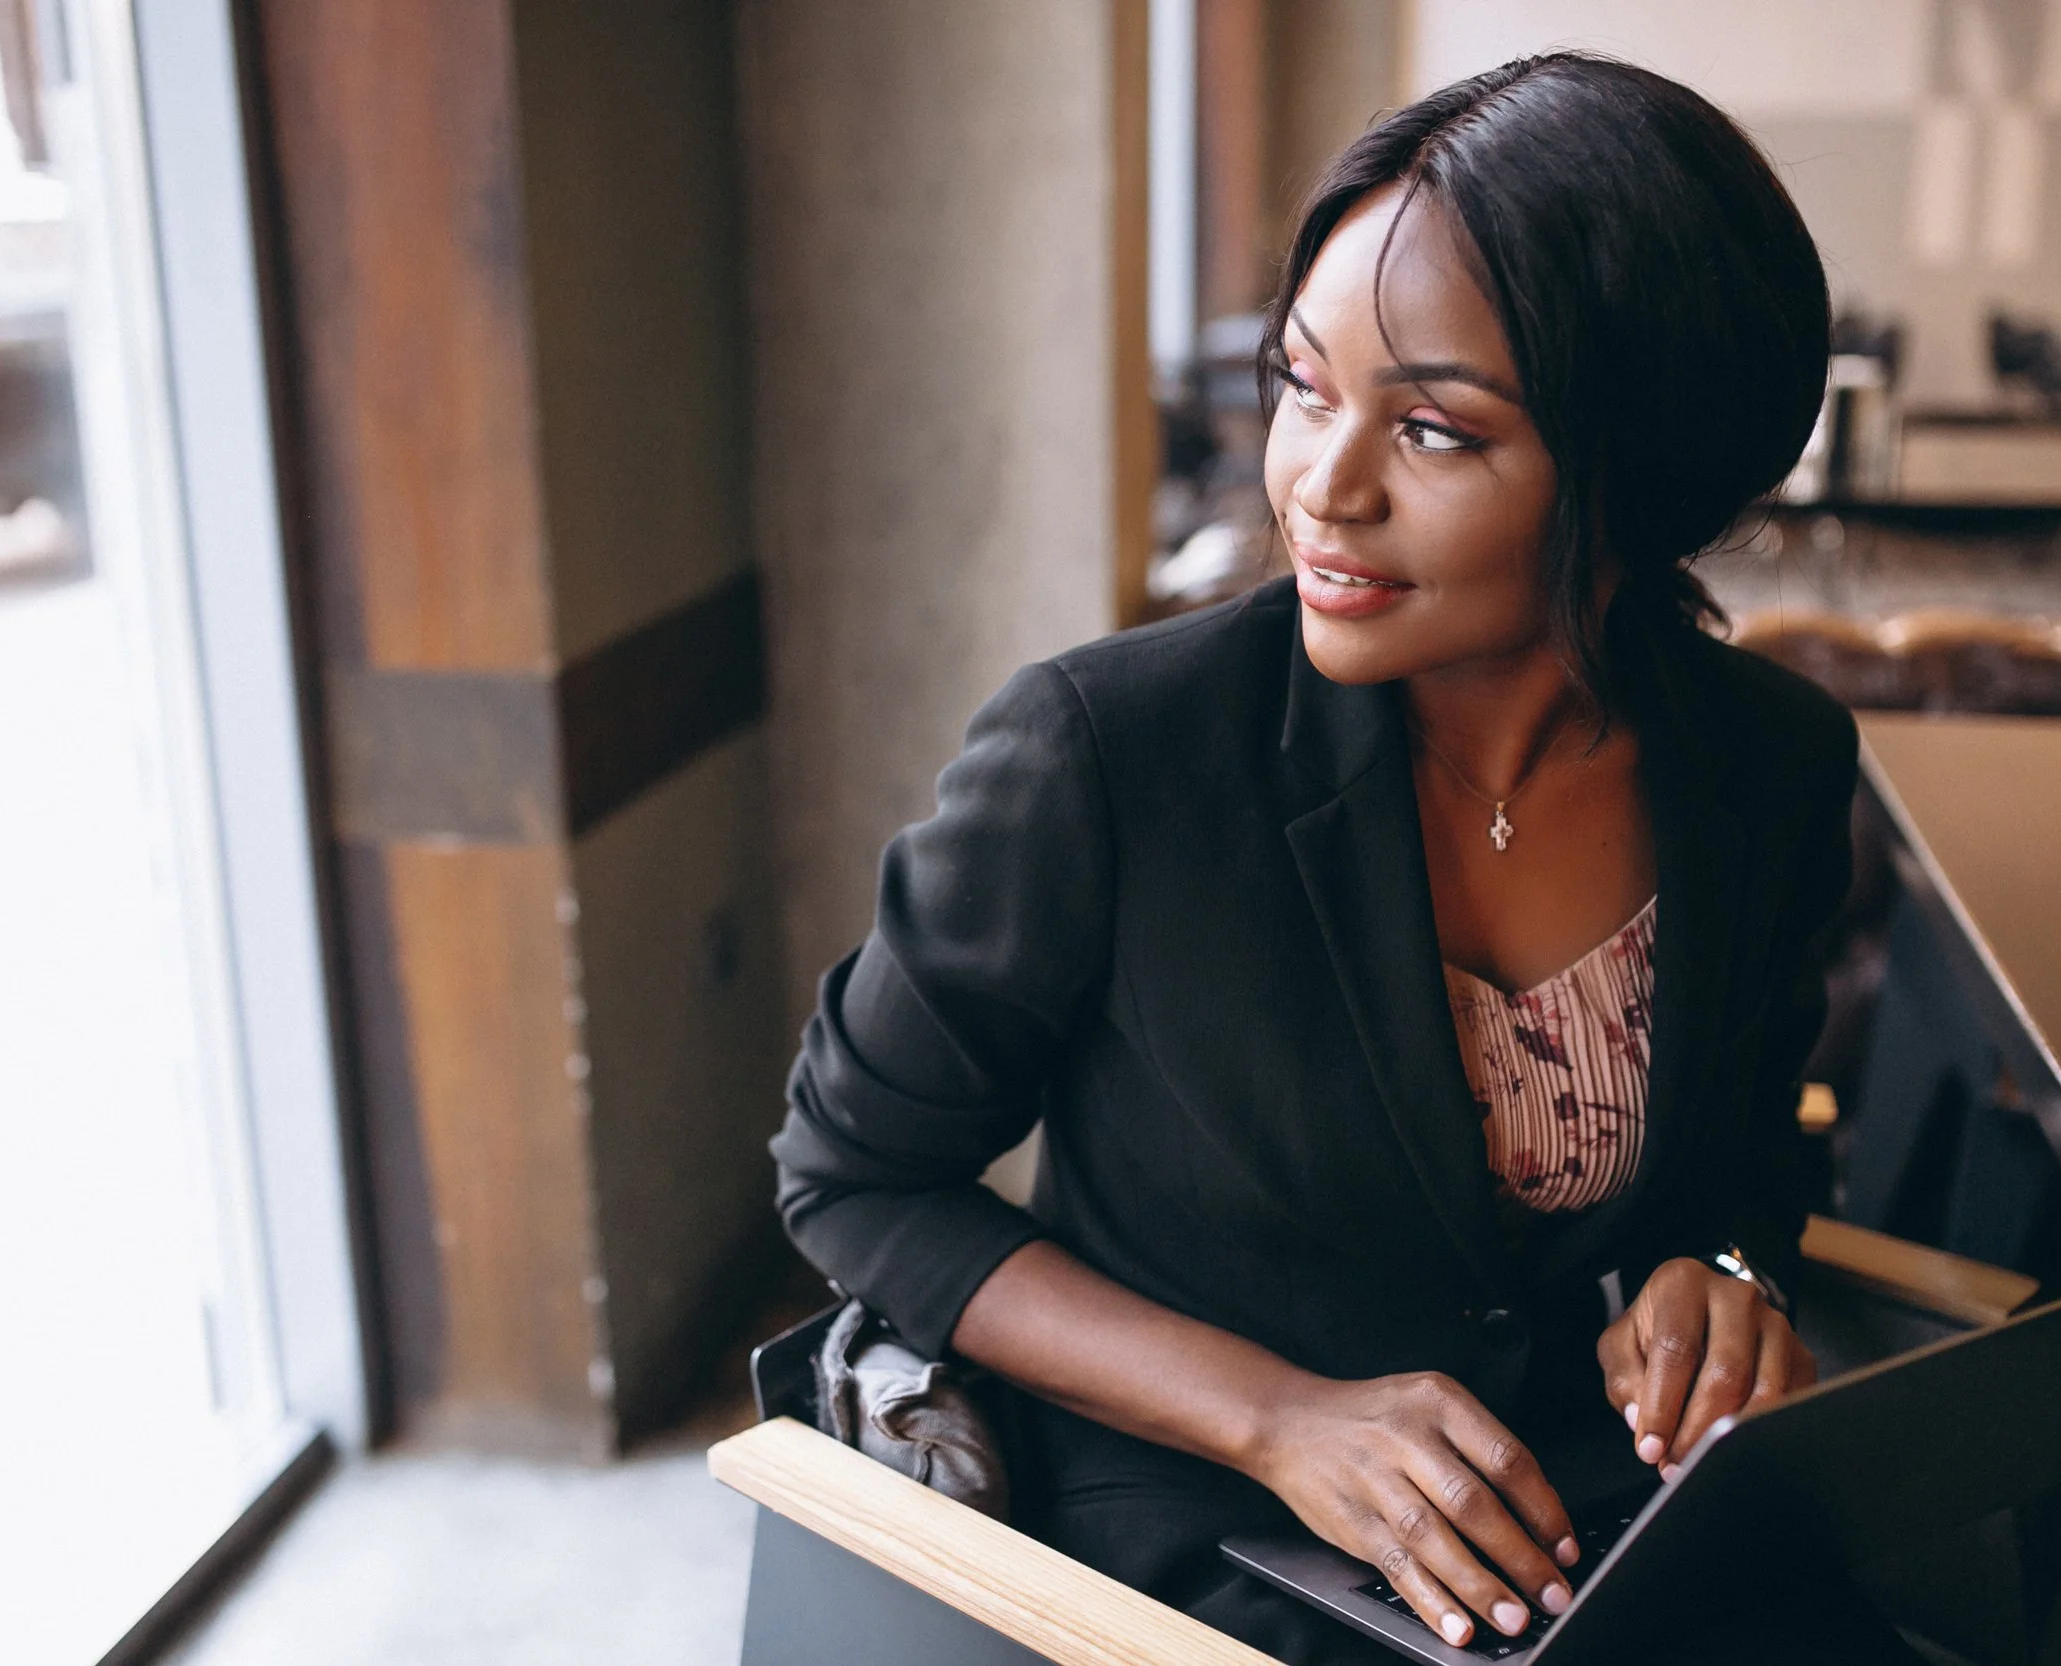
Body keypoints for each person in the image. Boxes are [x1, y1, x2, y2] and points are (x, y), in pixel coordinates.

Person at [773, 54, 1893, 1664]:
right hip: (1206, 1530)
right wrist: (1277, 1416)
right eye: (1305, 385)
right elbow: (854, 1172)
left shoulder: (1769, 767)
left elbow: (1745, 1169)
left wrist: (1716, 1272)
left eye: (1432, 428)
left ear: (1644, 474)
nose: (1321, 485)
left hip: (1586, 1515)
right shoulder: (1108, 754)